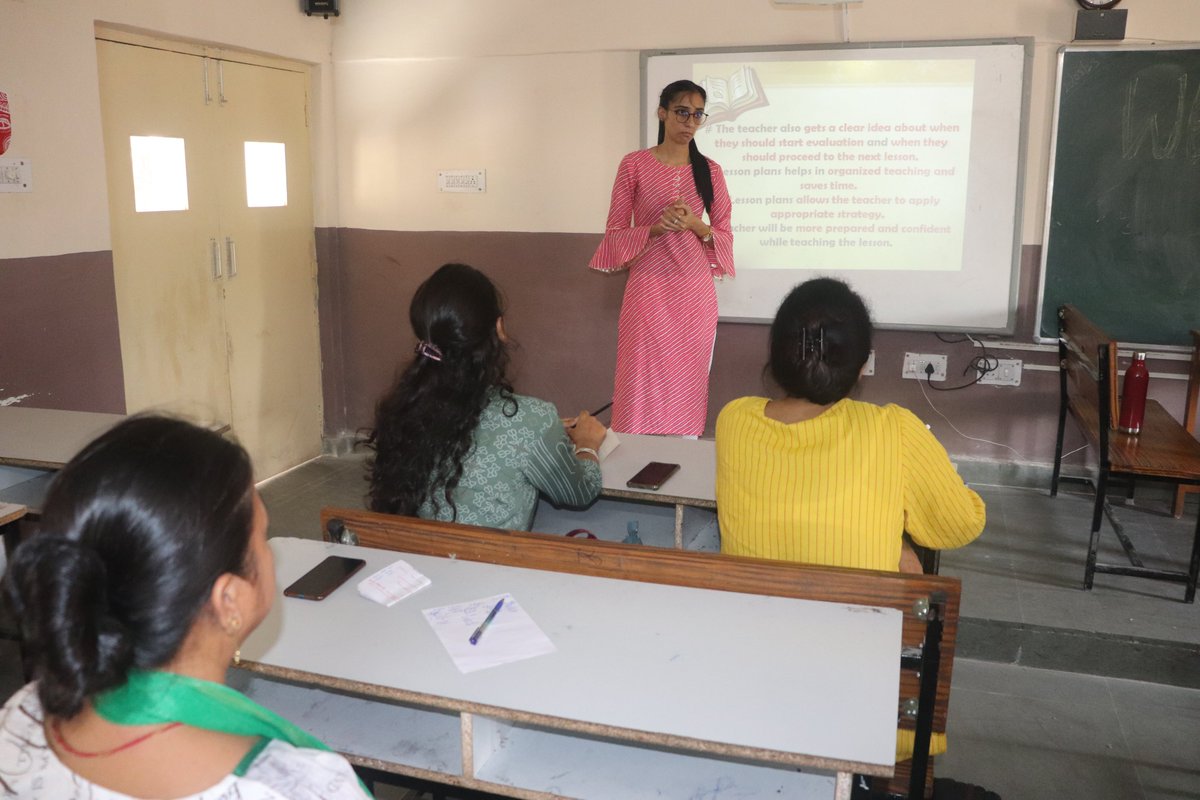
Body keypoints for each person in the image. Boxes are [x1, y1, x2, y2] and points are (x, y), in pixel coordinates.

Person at [0, 416, 371, 799]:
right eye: (263, 536)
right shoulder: (297, 787)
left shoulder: (24, 713)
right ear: (229, 600)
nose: (271, 553)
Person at [716, 277, 986, 571]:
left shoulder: (733, 419)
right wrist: (898, 540)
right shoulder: (896, 430)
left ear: (777, 357)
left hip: (750, 613)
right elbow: (959, 526)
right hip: (856, 614)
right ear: (860, 366)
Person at [366, 263, 605, 530]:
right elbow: (580, 492)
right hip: (493, 569)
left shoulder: (402, 411)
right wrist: (586, 444)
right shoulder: (530, 420)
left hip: (421, 566)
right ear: (499, 328)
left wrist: (540, 431)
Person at [589, 79, 735, 437]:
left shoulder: (711, 171)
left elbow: (724, 236)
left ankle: (682, 451)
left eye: (697, 115)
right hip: (648, 289)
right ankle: (632, 455)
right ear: (663, 113)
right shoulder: (634, 164)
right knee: (638, 376)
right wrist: (656, 228)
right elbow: (614, 234)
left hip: (693, 292)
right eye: (682, 112)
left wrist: (693, 224)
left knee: (687, 378)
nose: (689, 122)